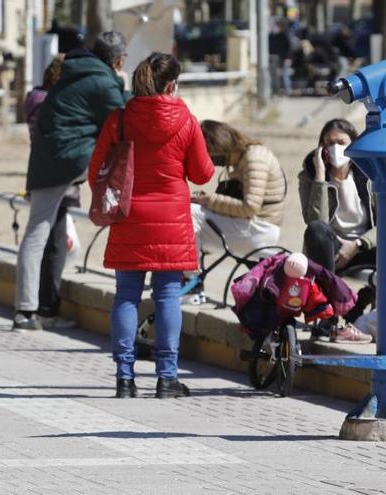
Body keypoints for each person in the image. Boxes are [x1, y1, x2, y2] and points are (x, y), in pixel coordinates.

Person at [88, 52, 214, 399]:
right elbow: (203, 173)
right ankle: (167, 377)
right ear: (172, 84)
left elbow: (95, 169)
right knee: (167, 296)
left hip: (129, 216)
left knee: (126, 297)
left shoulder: (121, 119)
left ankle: (124, 378)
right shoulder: (186, 120)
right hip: (171, 220)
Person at [14, 31, 130, 330]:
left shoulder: (74, 72)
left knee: (37, 232)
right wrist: (124, 84)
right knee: (126, 155)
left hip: (45, 160)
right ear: (119, 60)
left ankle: (27, 310)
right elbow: (123, 119)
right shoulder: (104, 81)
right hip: (73, 159)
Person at [299, 118, 376, 341]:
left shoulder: (370, 174)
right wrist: (321, 176)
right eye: (328, 143)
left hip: (364, 244)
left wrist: (358, 244)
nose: (334, 148)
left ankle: (363, 312)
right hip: (329, 246)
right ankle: (328, 314)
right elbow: (315, 220)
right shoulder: (309, 175)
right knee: (316, 231)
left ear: (353, 143)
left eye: (340, 142)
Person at [23, 54, 77, 328]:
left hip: (39, 175)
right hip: (56, 177)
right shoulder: (52, 105)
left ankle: (40, 306)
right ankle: (46, 308)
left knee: (50, 241)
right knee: (54, 245)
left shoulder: (33, 101)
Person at [191, 120, 286, 258]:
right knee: (193, 208)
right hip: (255, 225)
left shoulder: (254, 158)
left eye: (208, 154)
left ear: (218, 146)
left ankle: (189, 275)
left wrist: (208, 200)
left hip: (260, 229)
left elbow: (250, 208)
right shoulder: (244, 157)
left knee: (189, 213)